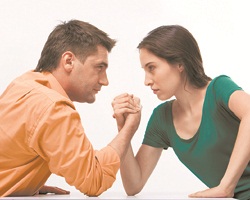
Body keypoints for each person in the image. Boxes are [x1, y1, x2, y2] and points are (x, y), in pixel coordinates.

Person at [0, 19, 141, 197]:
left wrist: (24, 183)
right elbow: (94, 180)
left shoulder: (24, 83)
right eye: (99, 67)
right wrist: (128, 128)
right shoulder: (53, 108)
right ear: (68, 61)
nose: (105, 81)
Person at [112, 25, 250, 200]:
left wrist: (226, 186)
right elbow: (133, 185)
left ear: (180, 63)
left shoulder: (218, 89)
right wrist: (125, 129)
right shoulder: (162, 118)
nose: (146, 81)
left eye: (152, 68)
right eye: (145, 71)